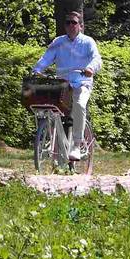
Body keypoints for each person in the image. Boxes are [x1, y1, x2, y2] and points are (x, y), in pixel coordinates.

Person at [32, 10, 102, 162]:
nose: (71, 25)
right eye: (68, 22)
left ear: (81, 26)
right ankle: (52, 140)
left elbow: (97, 59)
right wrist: (37, 69)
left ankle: (76, 145)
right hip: (62, 84)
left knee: (79, 104)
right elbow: (46, 58)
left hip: (81, 82)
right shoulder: (58, 42)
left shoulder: (88, 42)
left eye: (74, 23)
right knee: (45, 107)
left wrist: (90, 68)